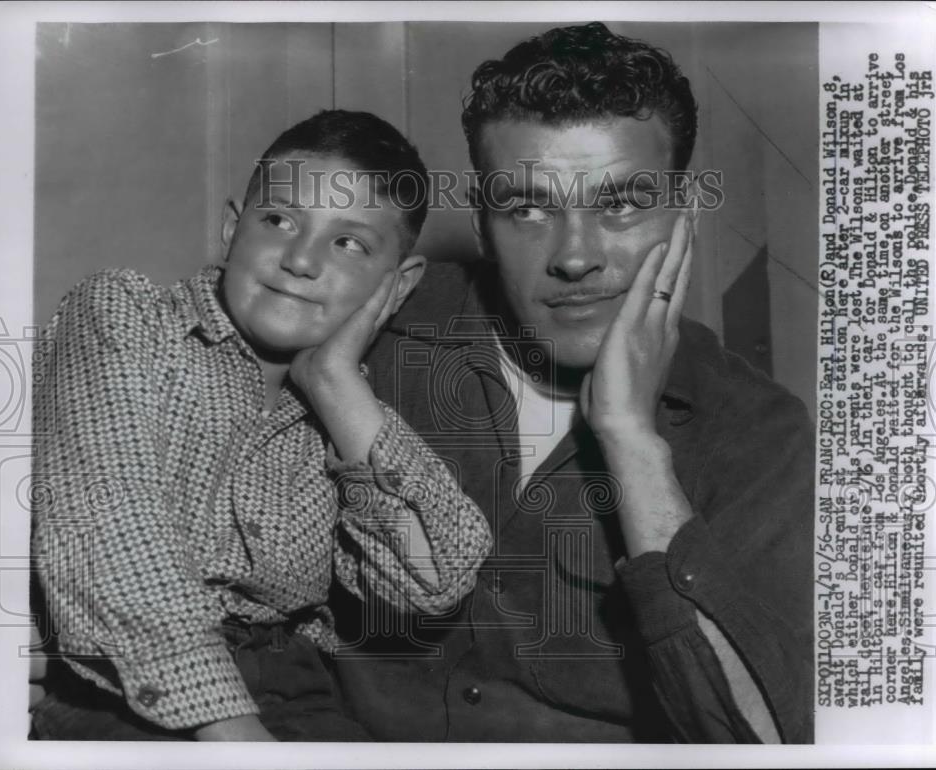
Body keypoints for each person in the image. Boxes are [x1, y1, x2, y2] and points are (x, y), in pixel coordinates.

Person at [327, 22, 814, 743]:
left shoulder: (759, 431)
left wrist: (629, 439)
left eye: (620, 204)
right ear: (485, 226)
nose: (576, 257)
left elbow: (755, 740)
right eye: (529, 208)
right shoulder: (374, 331)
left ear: (682, 220)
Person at [29, 110, 492, 741]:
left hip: (298, 694)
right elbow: (116, 528)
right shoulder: (124, 316)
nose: (300, 259)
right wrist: (233, 732)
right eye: (278, 220)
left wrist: (333, 380)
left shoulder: (341, 410)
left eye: (348, 242)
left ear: (397, 286)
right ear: (230, 229)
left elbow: (433, 581)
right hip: (124, 691)